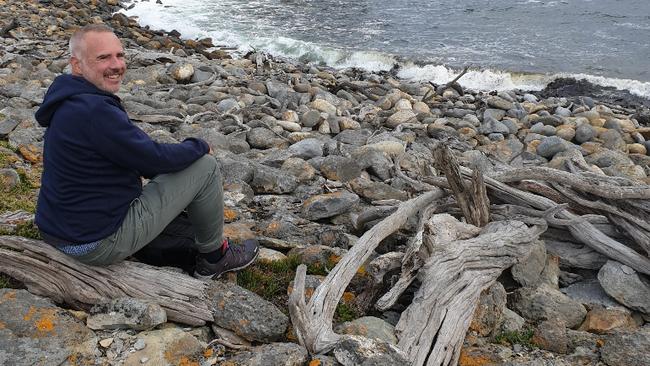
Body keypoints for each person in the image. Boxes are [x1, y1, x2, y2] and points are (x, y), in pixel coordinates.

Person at [34, 24, 258, 279]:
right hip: (92, 244)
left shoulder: (70, 100)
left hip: (60, 229)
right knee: (204, 167)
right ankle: (214, 258)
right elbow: (154, 162)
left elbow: (138, 157)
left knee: (178, 172)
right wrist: (197, 146)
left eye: (119, 55)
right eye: (103, 57)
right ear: (76, 65)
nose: (117, 65)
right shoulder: (95, 111)